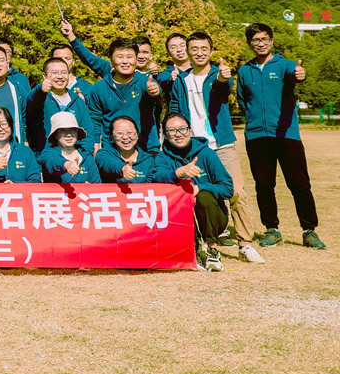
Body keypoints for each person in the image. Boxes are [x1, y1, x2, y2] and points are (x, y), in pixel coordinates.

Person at [169, 32, 264, 263]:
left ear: (211, 51)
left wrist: (223, 77)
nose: (199, 53)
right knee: (194, 194)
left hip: (221, 145)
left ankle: (245, 244)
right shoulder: (181, 80)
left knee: (236, 192)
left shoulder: (217, 74)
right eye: (194, 49)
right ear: (188, 52)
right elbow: (174, 109)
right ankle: (197, 243)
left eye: (204, 48)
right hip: (193, 148)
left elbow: (223, 87)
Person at [236, 23, 325, 250]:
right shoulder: (245, 71)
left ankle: (309, 230)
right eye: (256, 40)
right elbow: (242, 100)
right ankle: (271, 229)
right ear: (249, 43)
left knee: (299, 184)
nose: (261, 43)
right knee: (264, 185)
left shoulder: (285, 65)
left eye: (265, 39)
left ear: (272, 41)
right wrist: (254, 119)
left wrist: (300, 75)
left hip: (287, 134)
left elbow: (296, 75)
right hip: (257, 136)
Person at [158, 112, 233, 272]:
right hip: (180, 218)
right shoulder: (162, 158)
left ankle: (212, 250)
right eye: (172, 130)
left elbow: (228, 188)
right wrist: (178, 173)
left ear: (190, 129)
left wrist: (200, 188)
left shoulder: (207, 153)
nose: (178, 134)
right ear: (165, 134)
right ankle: (192, 247)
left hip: (213, 217)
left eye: (182, 129)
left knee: (204, 196)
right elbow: (156, 179)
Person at [85, 38, 161, 153]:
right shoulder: (99, 87)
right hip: (112, 151)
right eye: (120, 57)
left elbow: (155, 90)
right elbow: (94, 119)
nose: (125, 61)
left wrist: (154, 90)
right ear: (111, 61)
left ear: (136, 59)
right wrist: (95, 147)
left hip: (146, 149)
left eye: (130, 57)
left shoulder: (144, 81)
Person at [25, 57, 95, 154]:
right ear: (44, 75)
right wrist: (40, 89)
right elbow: (31, 101)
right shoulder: (40, 98)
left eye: (64, 72)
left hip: (73, 158)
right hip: (44, 157)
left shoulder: (78, 101)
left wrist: (82, 155)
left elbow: (88, 133)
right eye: (54, 73)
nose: (60, 76)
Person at [94, 116, 168, 185]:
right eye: (119, 133)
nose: (125, 137)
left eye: (130, 133)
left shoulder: (148, 160)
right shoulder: (103, 154)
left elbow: (150, 187)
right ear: (112, 137)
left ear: (137, 135)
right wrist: (122, 169)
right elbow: (106, 163)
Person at [37, 112, 101, 184]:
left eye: (72, 130)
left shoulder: (87, 157)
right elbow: (51, 162)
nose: (69, 135)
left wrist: (91, 188)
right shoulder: (47, 154)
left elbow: (97, 184)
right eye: (63, 131)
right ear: (55, 135)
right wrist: (66, 165)